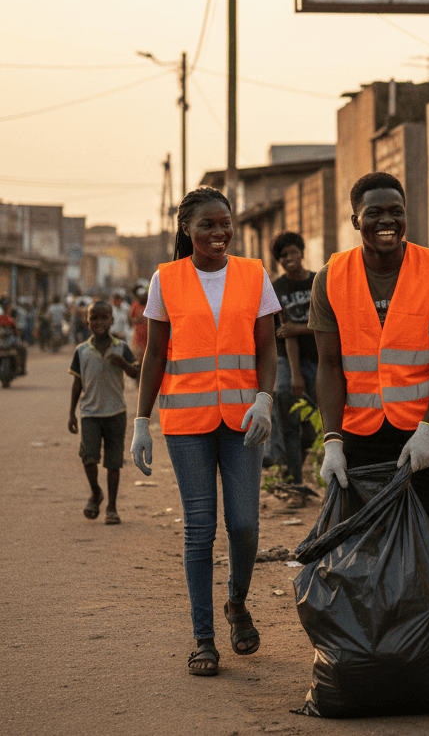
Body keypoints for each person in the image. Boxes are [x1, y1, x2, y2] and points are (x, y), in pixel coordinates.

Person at [309, 171, 429, 625]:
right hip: (361, 437)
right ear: (355, 218)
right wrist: (332, 440)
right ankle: (379, 648)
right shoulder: (332, 277)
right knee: (365, 545)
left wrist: (427, 430)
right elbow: (329, 365)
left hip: (426, 432)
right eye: (375, 213)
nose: (387, 221)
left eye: (396, 212)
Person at [130, 186, 279, 678]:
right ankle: (204, 640)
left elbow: (266, 347)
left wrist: (264, 399)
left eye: (224, 224)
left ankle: (236, 602)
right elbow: (155, 354)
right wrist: (140, 422)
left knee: (243, 525)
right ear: (186, 230)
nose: (219, 233)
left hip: (243, 421)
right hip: (187, 423)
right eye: (207, 226)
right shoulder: (166, 279)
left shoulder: (254, 274)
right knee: (200, 530)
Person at [68, 300, 139, 524]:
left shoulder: (121, 346)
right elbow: (77, 384)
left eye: (103, 318)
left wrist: (123, 364)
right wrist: (71, 413)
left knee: (113, 462)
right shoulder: (81, 351)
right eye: (94, 318)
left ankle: (112, 506)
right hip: (89, 413)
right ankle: (96, 492)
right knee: (88, 457)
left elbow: (136, 373)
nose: (99, 322)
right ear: (86, 321)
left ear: (111, 320)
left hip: (116, 413)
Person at [269, 231, 319, 485]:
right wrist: (295, 373)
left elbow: (329, 325)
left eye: (292, 252)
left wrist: (299, 329)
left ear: (301, 252)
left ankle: (298, 466)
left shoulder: (318, 282)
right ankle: (295, 479)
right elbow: (285, 333)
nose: (289, 258)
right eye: (283, 256)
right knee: (289, 421)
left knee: (313, 423)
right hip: (287, 361)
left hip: (318, 359)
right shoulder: (278, 288)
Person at [128, 286, 148, 362]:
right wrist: (137, 319)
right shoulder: (135, 304)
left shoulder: (150, 304)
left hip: (149, 335)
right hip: (138, 335)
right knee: (138, 357)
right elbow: (130, 319)